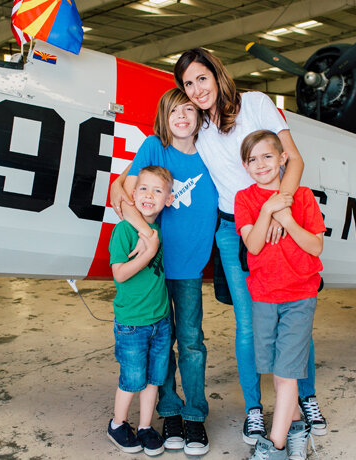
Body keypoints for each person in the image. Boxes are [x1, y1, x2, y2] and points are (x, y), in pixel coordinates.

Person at [177, 47, 326, 442]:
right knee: (250, 324)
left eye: (201, 78)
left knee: (294, 313)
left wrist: (280, 209)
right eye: (188, 84)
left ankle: (304, 399)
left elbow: (293, 160)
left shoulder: (256, 104)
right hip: (236, 230)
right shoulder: (197, 128)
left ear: (217, 73)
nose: (196, 89)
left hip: (281, 216)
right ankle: (255, 410)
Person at [109, 88, 217, 454]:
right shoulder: (156, 146)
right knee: (160, 344)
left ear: (200, 114)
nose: (183, 117)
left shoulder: (211, 153)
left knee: (191, 343)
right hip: (154, 266)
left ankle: (195, 415)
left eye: (190, 109)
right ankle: (169, 411)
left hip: (188, 265)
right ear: (164, 116)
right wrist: (146, 235)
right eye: (175, 111)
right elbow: (121, 189)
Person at [234, 130, 324, 460]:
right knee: (276, 371)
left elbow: (315, 246)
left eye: (268, 156)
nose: (261, 164)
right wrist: (267, 210)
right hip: (264, 296)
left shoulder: (303, 197)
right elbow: (253, 245)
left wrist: (286, 218)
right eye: (252, 159)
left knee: (286, 375)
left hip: (300, 295)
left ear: (283, 158)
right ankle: (297, 429)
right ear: (245, 165)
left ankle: (275, 445)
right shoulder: (244, 199)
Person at [106, 166, 175, 457]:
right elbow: (120, 274)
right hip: (132, 324)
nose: (149, 195)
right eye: (144, 189)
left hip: (159, 322)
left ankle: (146, 426)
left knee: (154, 379)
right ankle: (118, 424)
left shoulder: (159, 230)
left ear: (169, 199)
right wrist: (147, 252)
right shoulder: (124, 230)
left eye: (158, 191)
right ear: (133, 194)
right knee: (132, 379)